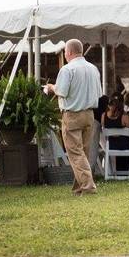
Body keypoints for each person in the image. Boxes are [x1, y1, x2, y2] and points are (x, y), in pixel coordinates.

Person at [45, 39, 101, 195]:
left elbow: (61, 91)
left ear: (68, 52)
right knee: (83, 152)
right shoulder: (93, 68)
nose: (65, 55)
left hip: (72, 115)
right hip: (89, 114)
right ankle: (78, 188)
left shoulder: (67, 69)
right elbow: (99, 93)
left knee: (75, 153)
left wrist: (50, 87)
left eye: (64, 52)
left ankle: (88, 187)